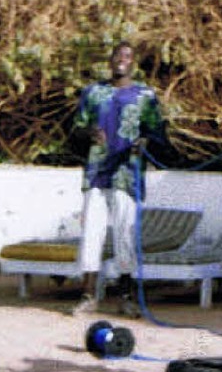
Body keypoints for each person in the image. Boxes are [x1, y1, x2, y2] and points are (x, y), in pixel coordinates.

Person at [70, 41, 165, 317]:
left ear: (132, 63)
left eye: (127, 56)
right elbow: (75, 130)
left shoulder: (144, 95)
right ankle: (88, 294)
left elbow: (158, 134)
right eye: (117, 56)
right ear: (110, 61)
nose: (122, 60)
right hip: (97, 173)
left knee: (125, 234)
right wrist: (89, 133)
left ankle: (127, 295)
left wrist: (145, 142)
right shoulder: (94, 93)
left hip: (127, 174)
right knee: (91, 233)